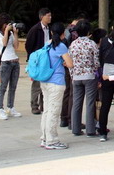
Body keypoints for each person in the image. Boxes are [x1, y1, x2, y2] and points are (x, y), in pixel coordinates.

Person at [40, 22, 73, 150]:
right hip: (56, 82)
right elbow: (70, 64)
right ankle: (52, 141)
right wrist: (64, 62)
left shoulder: (47, 44)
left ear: (51, 33)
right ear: (63, 34)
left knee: (47, 111)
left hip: (45, 80)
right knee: (53, 112)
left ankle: (44, 138)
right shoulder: (61, 46)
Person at [68, 19, 100, 137]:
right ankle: (90, 130)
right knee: (90, 103)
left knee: (76, 103)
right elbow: (96, 63)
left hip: (76, 76)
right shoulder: (92, 44)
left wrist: (73, 75)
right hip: (89, 76)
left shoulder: (73, 44)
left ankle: (75, 128)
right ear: (88, 31)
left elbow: (70, 62)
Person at [0, 13, 22, 120]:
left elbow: (16, 46)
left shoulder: (10, 33)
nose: (7, 25)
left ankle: (10, 107)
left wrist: (15, 33)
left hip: (15, 62)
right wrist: (6, 32)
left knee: (13, 87)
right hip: (5, 63)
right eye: (6, 24)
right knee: (3, 87)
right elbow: (4, 43)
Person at [25, 8, 52, 114]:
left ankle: (43, 105)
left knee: (45, 83)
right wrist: (34, 57)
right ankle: (34, 105)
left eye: (50, 15)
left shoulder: (49, 29)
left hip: (47, 60)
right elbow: (28, 45)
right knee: (36, 84)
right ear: (41, 17)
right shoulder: (35, 30)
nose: (50, 18)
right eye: (48, 16)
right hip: (38, 60)